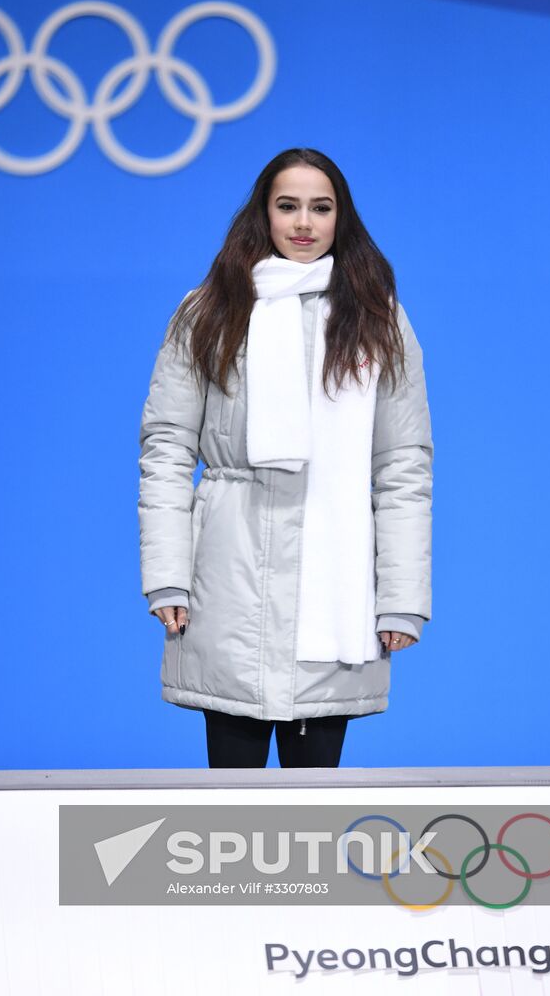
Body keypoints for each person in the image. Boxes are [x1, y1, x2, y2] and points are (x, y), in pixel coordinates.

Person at [138, 147, 433, 769]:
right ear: (263, 215)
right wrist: (167, 573)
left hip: (336, 585)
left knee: (314, 814)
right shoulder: (210, 311)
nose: (304, 222)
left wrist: (401, 595)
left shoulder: (378, 319)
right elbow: (166, 449)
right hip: (229, 572)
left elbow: (402, 466)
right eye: (288, 206)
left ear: (340, 218)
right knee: (230, 812)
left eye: (320, 207)